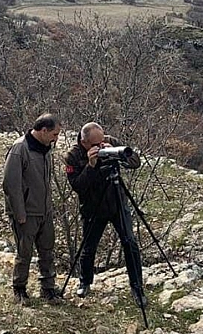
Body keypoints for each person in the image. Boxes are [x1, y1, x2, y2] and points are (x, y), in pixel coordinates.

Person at [64, 122, 147, 308]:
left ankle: (137, 287)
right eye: (96, 144)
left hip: (117, 201)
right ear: (84, 142)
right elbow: (78, 186)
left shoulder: (109, 142)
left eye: (102, 141)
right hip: (93, 207)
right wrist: (91, 166)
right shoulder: (73, 155)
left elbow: (135, 162)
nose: (100, 146)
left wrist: (116, 153)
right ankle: (85, 282)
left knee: (130, 243)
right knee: (89, 246)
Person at [3, 113, 62, 304]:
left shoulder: (46, 149)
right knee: (24, 252)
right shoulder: (20, 149)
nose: (56, 139)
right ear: (43, 131)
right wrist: (19, 212)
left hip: (44, 210)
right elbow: (11, 184)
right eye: (54, 134)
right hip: (26, 213)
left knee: (47, 250)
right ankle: (19, 289)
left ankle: (48, 288)